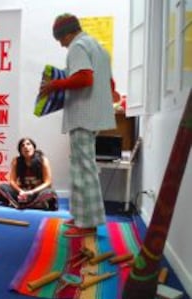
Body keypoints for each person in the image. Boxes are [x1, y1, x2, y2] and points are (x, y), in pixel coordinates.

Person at [40, 13, 120, 238]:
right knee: (79, 166)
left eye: (60, 39)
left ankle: (88, 224)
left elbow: (85, 78)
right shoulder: (98, 47)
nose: (61, 44)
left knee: (84, 169)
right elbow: (110, 84)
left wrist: (55, 84)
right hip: (94, 115)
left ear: (67, 34)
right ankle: (81, 216)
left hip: (83, 115)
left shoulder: (77, 46)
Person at [0, 138, 58, 210]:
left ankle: (18, 204)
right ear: (20, 151)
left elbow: (48, 182)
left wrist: (31, 192)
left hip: (36, 193)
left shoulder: (43, 160)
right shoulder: (16, 160)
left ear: (34, 147)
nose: (26, 147)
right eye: (22, 145)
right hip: (22, 193)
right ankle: (35, 204)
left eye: (28, 144)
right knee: (2, 187)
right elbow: (12, 181)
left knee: (50, 192)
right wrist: (21, 191)